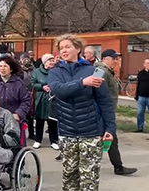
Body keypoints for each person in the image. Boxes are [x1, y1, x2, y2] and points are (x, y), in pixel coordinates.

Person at [47, 34, 116, 191]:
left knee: (89, 178)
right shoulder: (55, 72)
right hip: (67, 133)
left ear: (78, 49)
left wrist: (110, 129)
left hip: (91, 133)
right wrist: (83, 82)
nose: (64, 50)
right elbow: (59, 91)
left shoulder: (94, 71)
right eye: (61, 48)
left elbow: (105, 102)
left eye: (68, 47)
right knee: (69, 177)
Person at [96, 49, 138, 176]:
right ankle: (116, 167)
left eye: (117, 59)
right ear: (105, 59)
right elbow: (94, 88)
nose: (116, 61)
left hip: (106, 110)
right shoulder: (101, 71)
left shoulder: (106, 71)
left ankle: (118, 166)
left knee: (109, 138)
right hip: (102, 111)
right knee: (105, 137)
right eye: (113, 58)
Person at [0, 56, 31, 123]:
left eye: (5, 66)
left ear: (11, 69)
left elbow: (26, 100)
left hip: (14, 118)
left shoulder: (18, 82)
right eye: (0, 66)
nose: (2, 69)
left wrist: (18, 114)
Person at [31, 54, 59, 150]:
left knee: (52, 120)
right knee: (39, 120)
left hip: (53, 98)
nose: (52, 62)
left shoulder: (56, 71)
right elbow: (33, 83)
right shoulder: (37, 72)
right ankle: (38, 140)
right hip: (41, 98)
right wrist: (42, 87)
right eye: (49, 60)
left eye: (53, 60)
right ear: (44, 62)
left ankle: (53, 141)